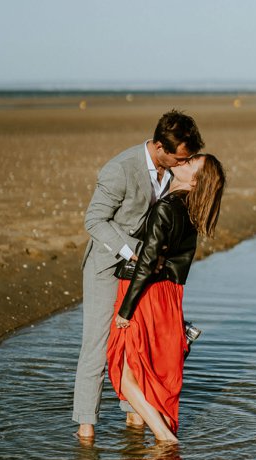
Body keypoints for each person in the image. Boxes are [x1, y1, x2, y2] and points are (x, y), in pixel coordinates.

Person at [74, 110, 204, 441]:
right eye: (180, 158)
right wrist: (134, 251)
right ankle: (86, 427)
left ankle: (134, 415)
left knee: (137, 343)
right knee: (98, 345)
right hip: (107, 264)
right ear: (160, 146)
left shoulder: (170, 173)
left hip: (142, 271)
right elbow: (94, 221)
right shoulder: (120, 170)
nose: (183, 163)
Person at [107, 154, 226, 443]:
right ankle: (153, 430)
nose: (182, 162)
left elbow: (147, 262)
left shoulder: (167, 207)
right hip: (169, 294)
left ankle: (165, 439)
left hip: (145, 291)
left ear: (195, 180)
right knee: (144, 368)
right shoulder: (193, 210)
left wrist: (125, 309)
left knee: (123, 371)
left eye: (189, 164)